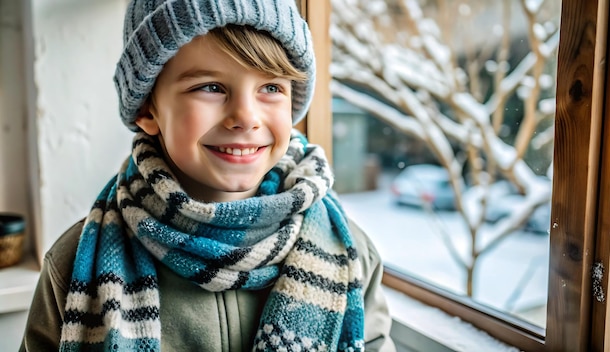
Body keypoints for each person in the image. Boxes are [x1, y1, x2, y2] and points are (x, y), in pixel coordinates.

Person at [20, 0, 396, 351]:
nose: (246, 117)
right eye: (211, 87)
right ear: (147, 109)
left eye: (270, 87)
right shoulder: (73, 267)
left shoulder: (350, 256)